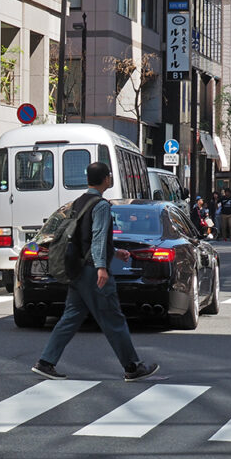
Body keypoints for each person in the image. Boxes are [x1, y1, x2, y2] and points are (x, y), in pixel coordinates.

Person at [31, 162, 158, 382]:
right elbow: (98, 236)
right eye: (109, 176)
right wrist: (102, 267)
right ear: (106, 179)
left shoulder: (79, 202)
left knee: (70, 317)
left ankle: (45, 362)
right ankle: (132, 366)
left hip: (77, 269)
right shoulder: (100, 205)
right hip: (91, 270)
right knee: (113, 318)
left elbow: (83, 238)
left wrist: (116, 252)